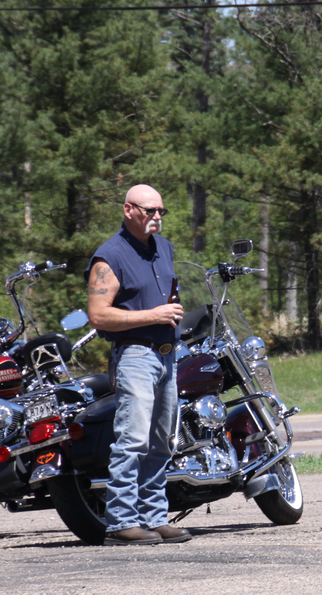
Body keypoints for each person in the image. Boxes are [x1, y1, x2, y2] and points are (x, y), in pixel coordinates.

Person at [85, 184, 191, 546]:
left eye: (161, 211)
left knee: (161, 441)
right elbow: (98, 315)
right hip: (135, 356)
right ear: (128, 210)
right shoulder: (109, 257)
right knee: (132, 441)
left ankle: (154, 517)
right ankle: (121, 522)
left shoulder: (164, 248)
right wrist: (153, 315)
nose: (157, 217)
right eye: (150, 211)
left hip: (167, 355)